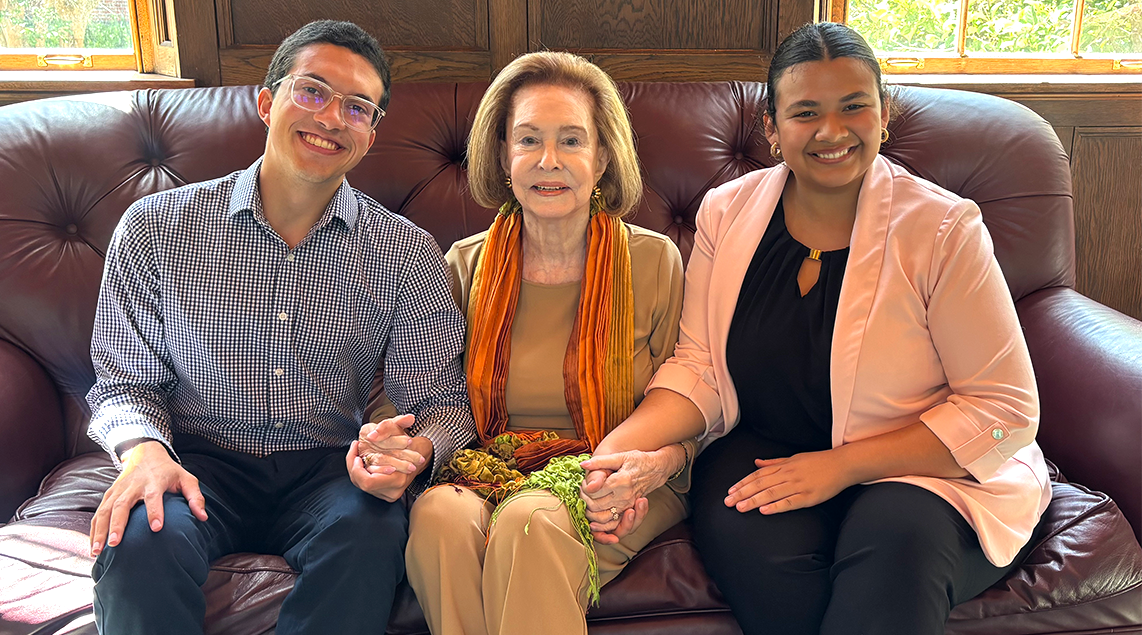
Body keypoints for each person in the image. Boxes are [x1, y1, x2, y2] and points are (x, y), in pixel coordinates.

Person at [587, 22, 1051, 635]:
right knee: (755, 550)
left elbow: (1005, 408)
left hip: (922, 470)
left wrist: (839, 466)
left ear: (884, 115)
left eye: (853, 107)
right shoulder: (726, 213)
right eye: (806, 112)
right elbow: (698, 366)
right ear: (773, 130)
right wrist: (617, 452)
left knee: (895, 542)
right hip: (764, 449)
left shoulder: (943, 229)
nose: (832, 131)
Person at [84, 20, 475, 635]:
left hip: (328, 464)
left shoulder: (404, 252)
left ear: (370, 135)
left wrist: (411, 450)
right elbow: (122, 381)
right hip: (195, 458)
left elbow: (440, 405)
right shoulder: (156, 228)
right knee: (140, 534)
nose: (330, 118)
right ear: (267, 103)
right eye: (312, 92)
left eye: (357, 107)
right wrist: (143, 453)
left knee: (370, 532)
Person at [398, 51, 694, 635]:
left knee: (527, 523)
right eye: (528, 140)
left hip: (621, 476)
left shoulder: (654, 261)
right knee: (437, 516)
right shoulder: (464, 266)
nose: (548, 161)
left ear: (603, 156)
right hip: (493, 465)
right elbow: (429, 397)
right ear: (503, 155)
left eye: (571, 141)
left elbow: (696, 396)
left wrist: (657, 465)